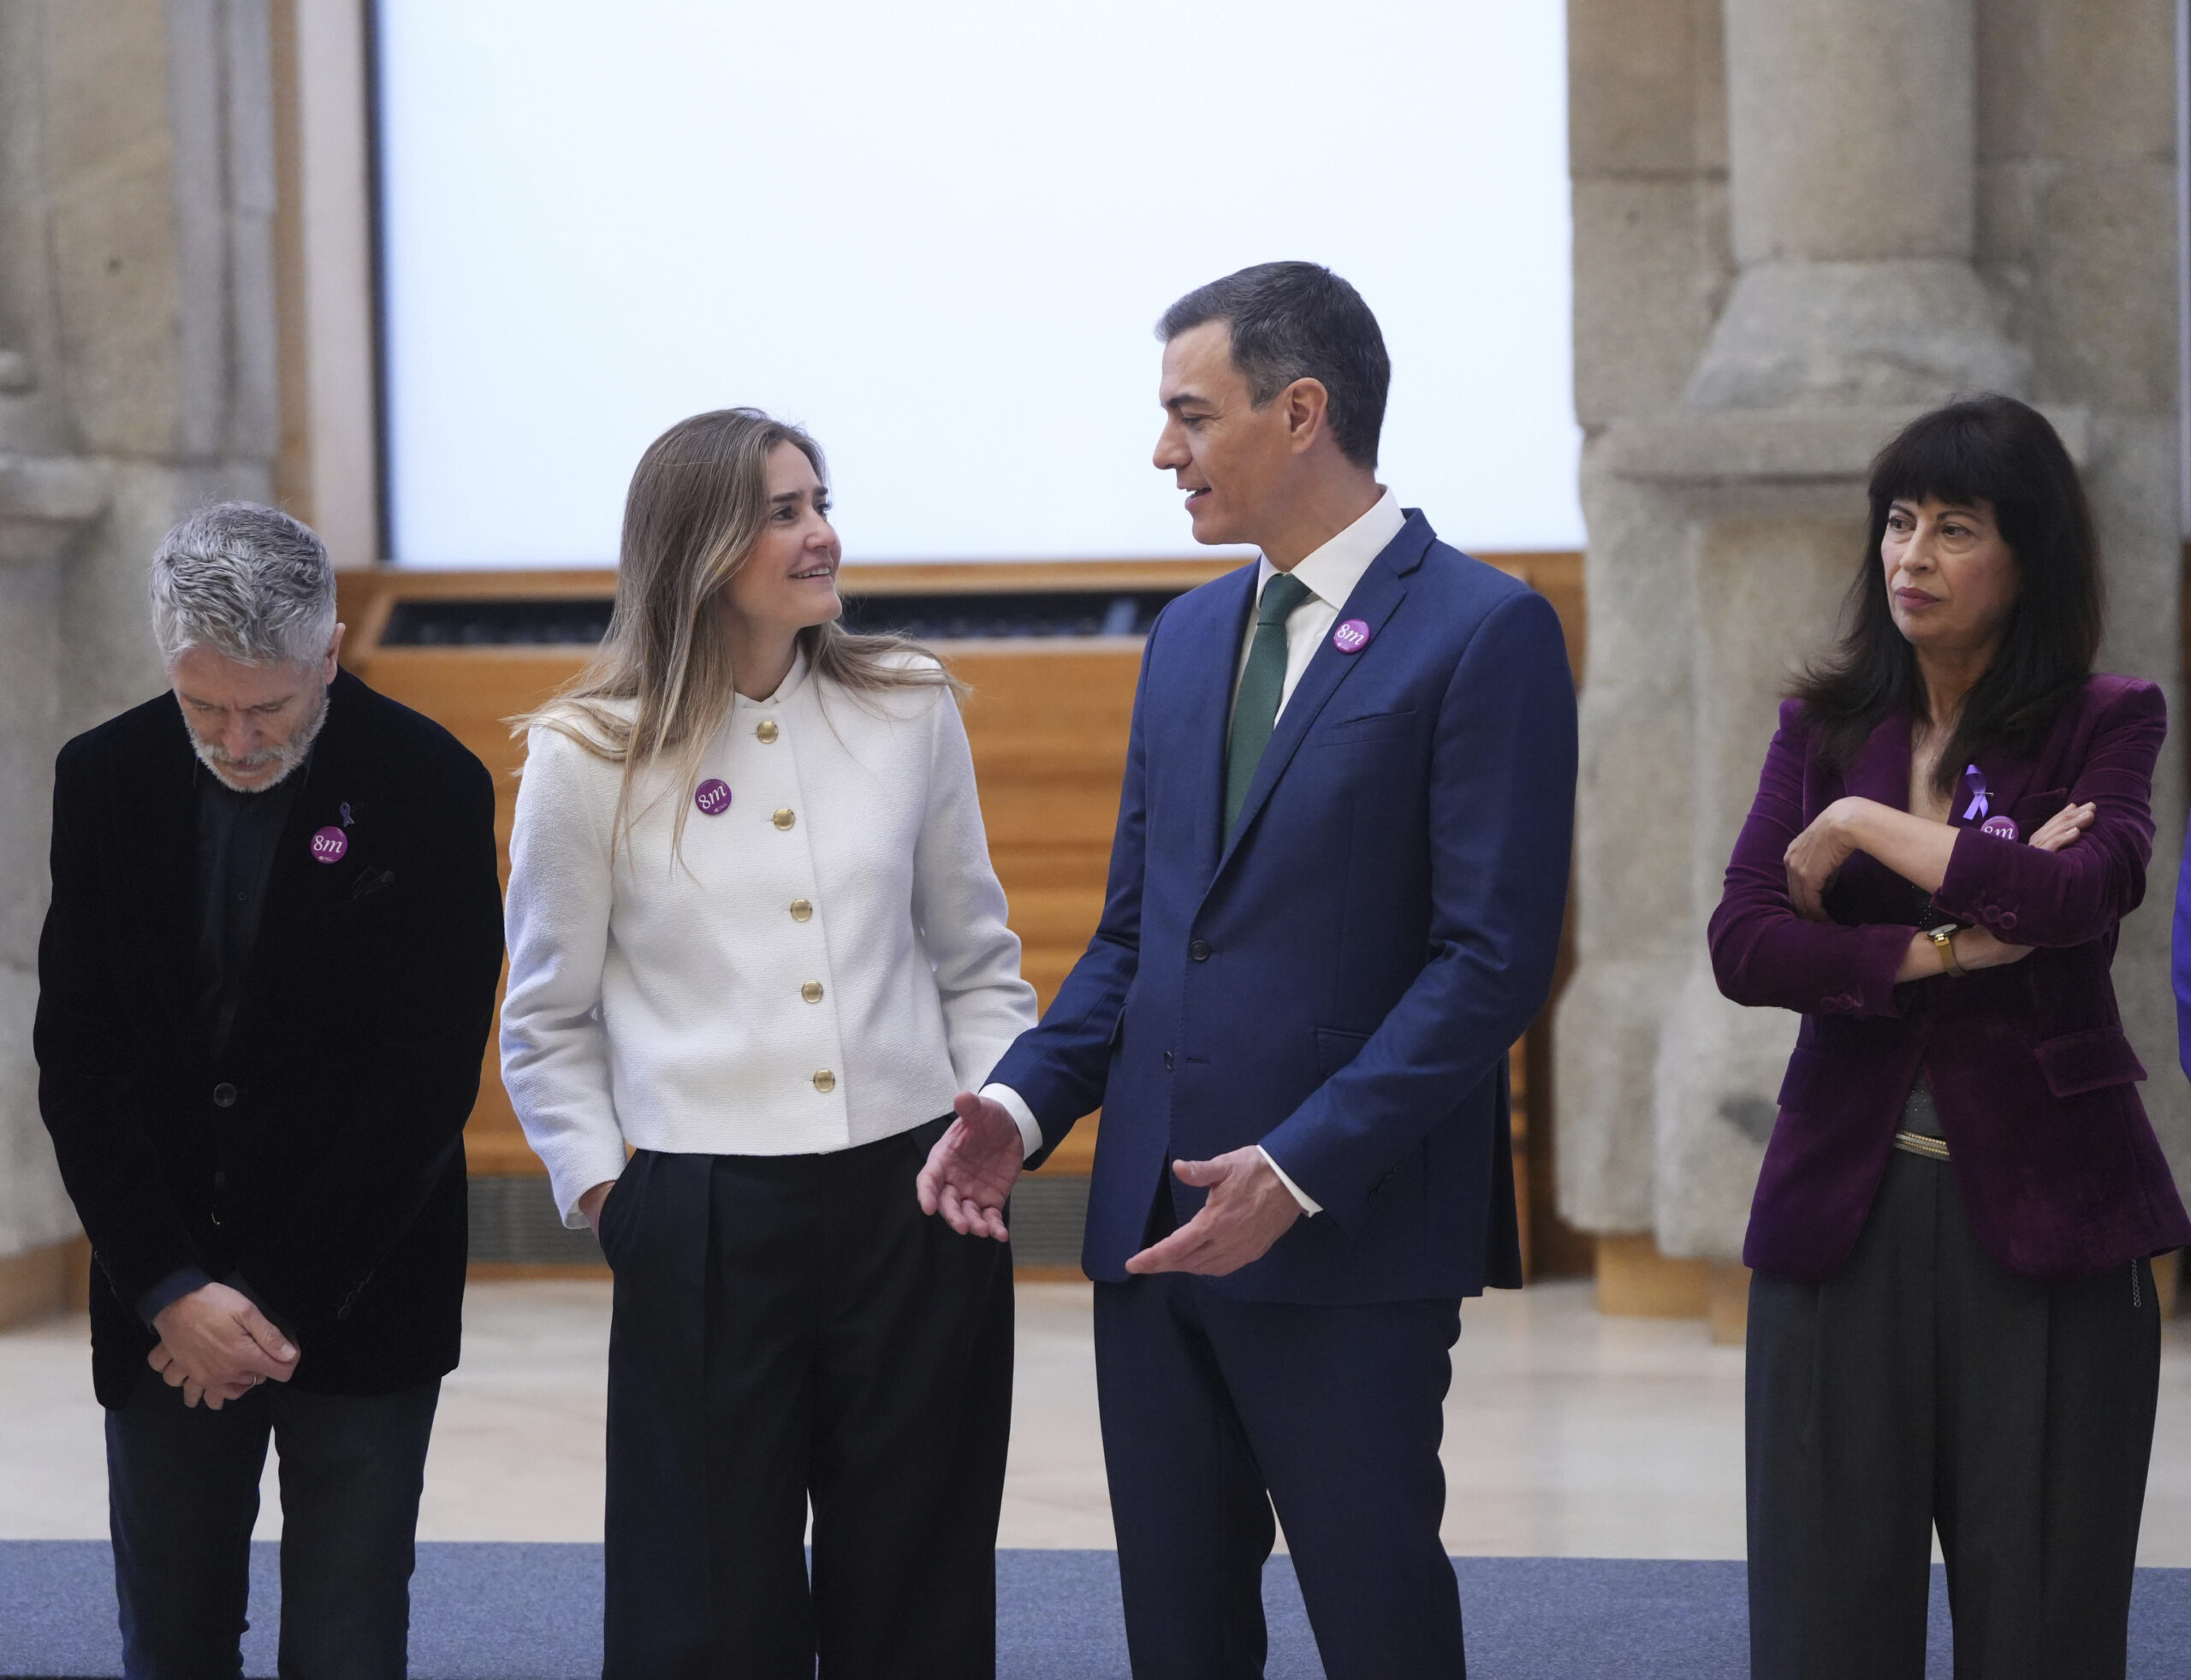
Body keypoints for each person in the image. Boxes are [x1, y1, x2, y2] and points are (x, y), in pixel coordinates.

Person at [918, 262, 1577, 1677]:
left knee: (1378, 1627)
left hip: (1346, 1236)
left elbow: (1490, 963)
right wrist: (1022, 1105)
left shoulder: (1485, 629)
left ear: (1300, 412)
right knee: (1180, 1637)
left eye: (1191, 414)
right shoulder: (1190, 635)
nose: (1166, 452)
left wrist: (1297, 1166)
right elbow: (1142, 935)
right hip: (1154, 1236)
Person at [500, 408, 1036, 1677]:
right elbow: (545, 1018)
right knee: (706, 1603)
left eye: (820, 503)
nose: (821, 535)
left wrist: (994, 1119)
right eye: (783, 513)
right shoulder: (585, 753)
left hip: (915, 1197)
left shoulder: (908, 705)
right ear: (697, 547)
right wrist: (610, 1194)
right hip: (701, 1216)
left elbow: (977, 957)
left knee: (917, 1580)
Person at [1708, 395, 2188, 1678]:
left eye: (1957, 528)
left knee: (2042, 1625)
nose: (1912, 555)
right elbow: (1746, 946)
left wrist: (1862, 829)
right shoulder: (1820, 728)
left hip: (2052, 1222)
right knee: (1822, 1626)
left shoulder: (2108, 718)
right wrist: (1951, 945)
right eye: (1900, 522)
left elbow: (2075, 897)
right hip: (1840, 1217)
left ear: (2029, 556)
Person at [34, 502, 504, 1677]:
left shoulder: (429, 784)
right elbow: (80, 1058)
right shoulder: (104, 777)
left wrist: (271, 1300)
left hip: (362, 1285)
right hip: (164, 1303)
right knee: (172, 1637)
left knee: (348, 1639)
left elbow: (423, 1081)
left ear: (330, 653)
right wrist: (169, 1288)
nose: (238, 741)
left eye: (270, 708)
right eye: (206, 707)